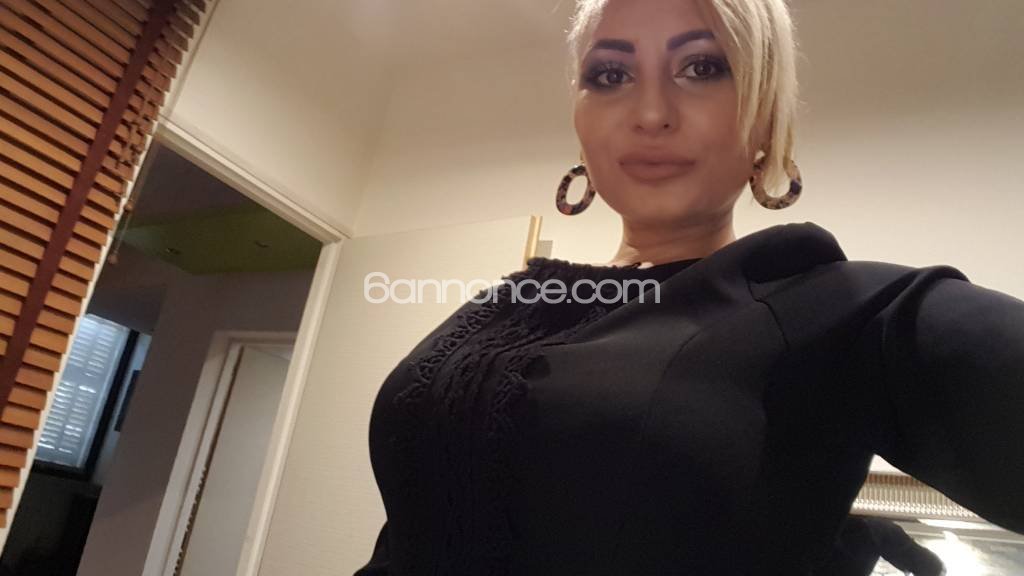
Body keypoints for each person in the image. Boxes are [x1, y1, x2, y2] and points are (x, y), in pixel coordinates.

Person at [355, 0, 1024, 574]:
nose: (650, 113)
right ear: (580, 122)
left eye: (702, 67)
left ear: (765, 119)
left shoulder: (836, 310)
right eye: (610, 74)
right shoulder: (510, 301)